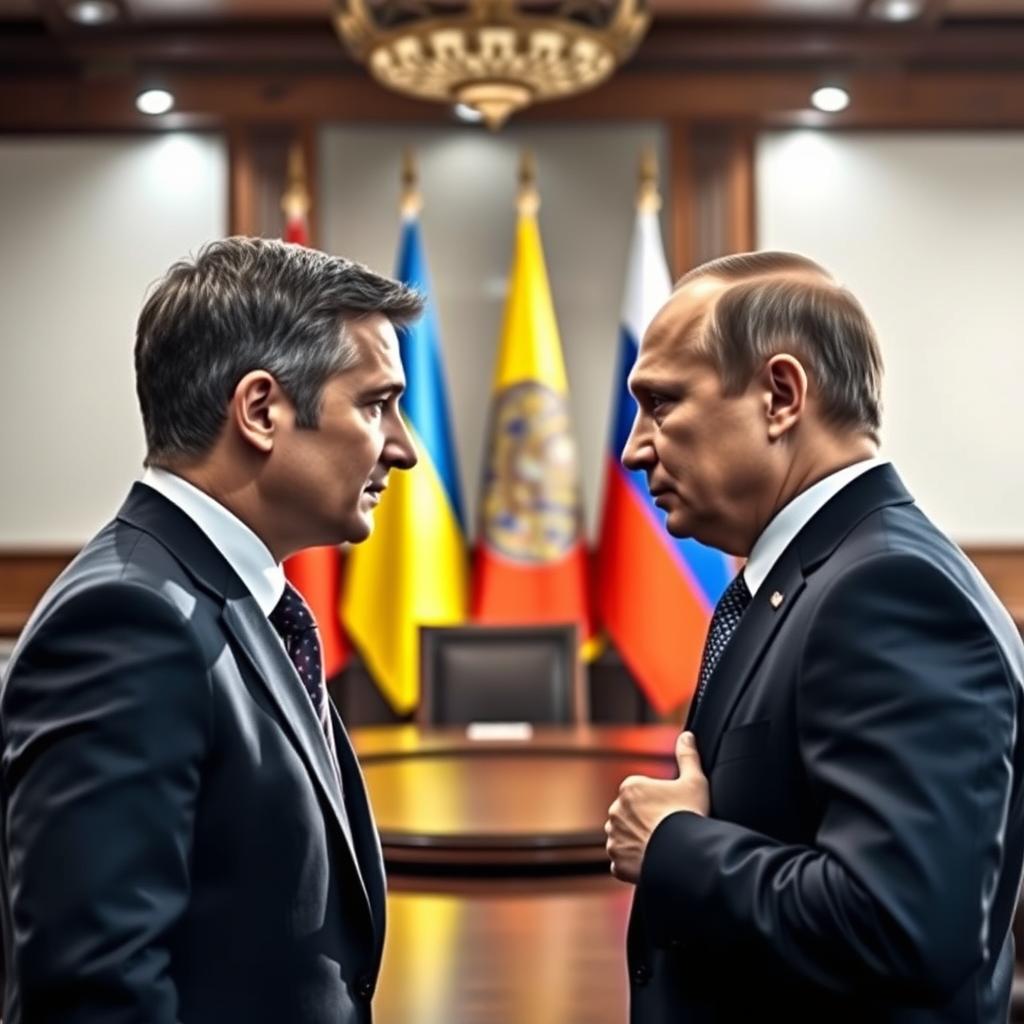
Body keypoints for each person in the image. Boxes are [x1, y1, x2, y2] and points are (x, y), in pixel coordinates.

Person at [0, 237, 421, 1023]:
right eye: (374, 404)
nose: (404, 449)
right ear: (261, 410)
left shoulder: (222, 596)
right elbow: (97, 992)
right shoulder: (130, 621)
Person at [605, 251, 1024, 1024]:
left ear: (780, 396)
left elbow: (903, 930)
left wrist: (674, 846)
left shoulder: (886, 590)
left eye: (661, 405)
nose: (633, 449)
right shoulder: (814, 573)